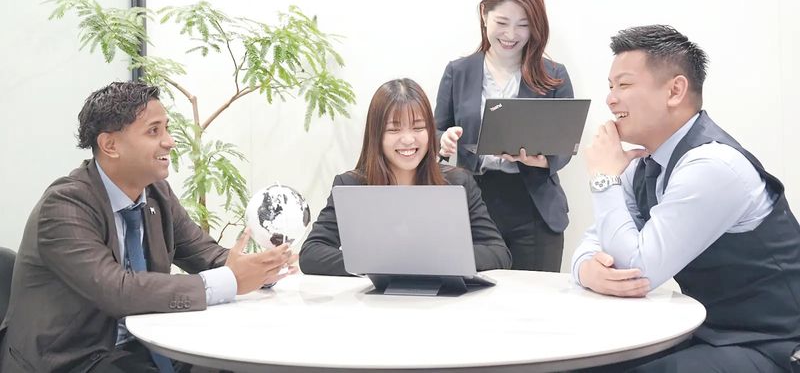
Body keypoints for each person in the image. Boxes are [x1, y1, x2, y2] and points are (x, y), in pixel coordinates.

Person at [0, 82, 298, 373]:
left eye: (166, 128)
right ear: (110, 145)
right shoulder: (65, 205)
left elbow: (205, 254)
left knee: (245, 361)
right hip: (73, 358)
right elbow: (117, 290)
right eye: (154, 131)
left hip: (144, 345)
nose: (169, 141)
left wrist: (261, 268)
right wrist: (231, 279)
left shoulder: (157, 193)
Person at [571, 25, 800, 372]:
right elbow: (596, 241)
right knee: (586, 362)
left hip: (772, 344)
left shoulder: (711, 166)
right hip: (709, 332)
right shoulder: (643, 164)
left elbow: (637, 269)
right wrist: (585, 269)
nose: (611, 99)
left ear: (675, 90)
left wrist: (603, 178)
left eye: (624, 85)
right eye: (611, 86)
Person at [299, 78, 511, 275]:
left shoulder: (458, 182)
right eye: (394, 130)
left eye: (418, 127)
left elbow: (498, 253)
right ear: (376, 135)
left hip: (442, 298)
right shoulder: (351, 186)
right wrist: (381, 263)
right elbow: (311, 253)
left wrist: (435, 259)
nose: (408, 139)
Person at [435, 0, 574, 271]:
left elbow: (566, 143)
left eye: (523, 25)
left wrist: (542, 160)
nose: (511, 34)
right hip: (474, 202)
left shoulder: (554, 75)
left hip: (534, 205)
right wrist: (443, 140)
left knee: (535, 295)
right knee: (477, 294)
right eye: (502, 22)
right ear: (484, 14)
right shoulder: (458, 72)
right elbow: (436, 129)